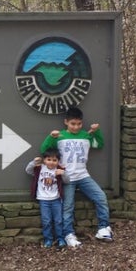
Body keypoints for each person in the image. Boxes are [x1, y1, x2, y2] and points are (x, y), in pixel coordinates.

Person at [41, 106, 113, 247]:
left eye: (79, 124)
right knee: (68, 206)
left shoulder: (86, 136)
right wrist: (51, 137)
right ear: (66, 122)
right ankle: (68, 234)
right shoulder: (60, 136)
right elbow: (44, 150)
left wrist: (96, 132)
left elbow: (99, 144)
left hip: (83, 175)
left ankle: (103, 228)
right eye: (73, 124)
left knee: (100, 197)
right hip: (67, 178)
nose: (76, 127)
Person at [25, 148, 68, 250]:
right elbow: (28, 170)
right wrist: (34, 162)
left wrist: (63, 173)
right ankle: (48, 239)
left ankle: (60, 238)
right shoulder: (40, 169)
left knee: (58, 220)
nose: (51, 162)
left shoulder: (59, 170)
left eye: (54, 160)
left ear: (58, 161)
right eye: (49, 159)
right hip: (43, 199)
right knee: (46, 221)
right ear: (44, 160)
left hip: (56, 199)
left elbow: (67, 181)